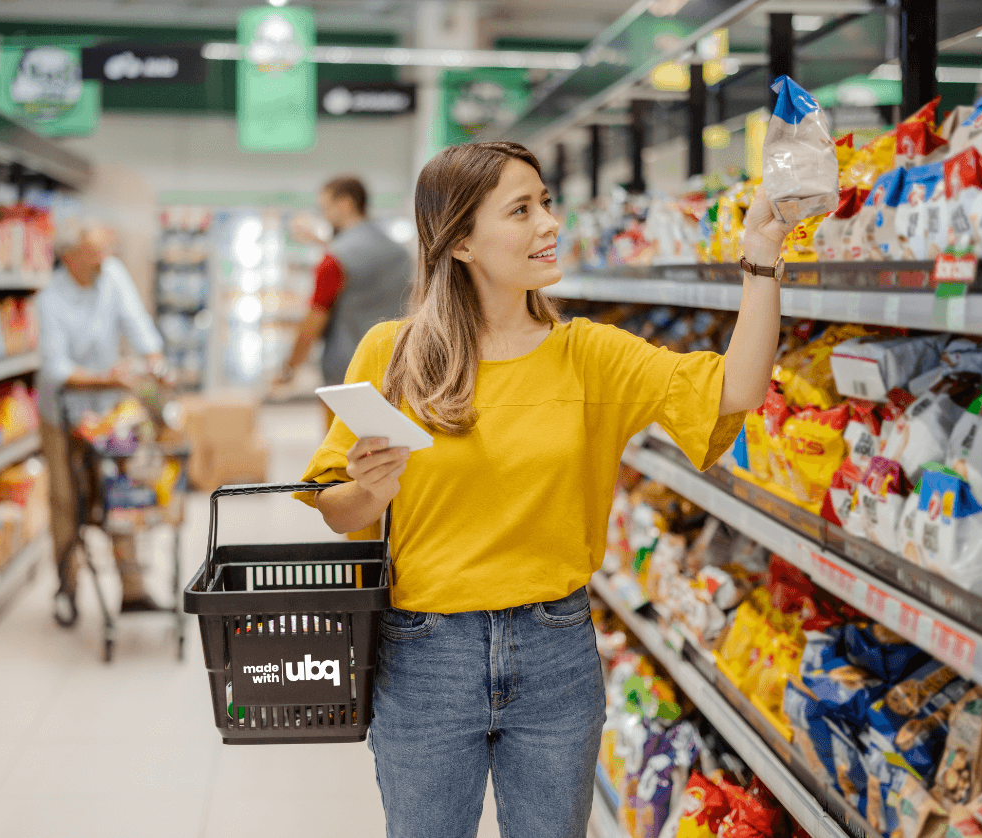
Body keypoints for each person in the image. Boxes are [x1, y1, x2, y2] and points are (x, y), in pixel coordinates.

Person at [295, 141, 790, 837]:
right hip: (425, 654)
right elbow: (335, 508)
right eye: (521, 209)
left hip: (555, 651)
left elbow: (737, 388)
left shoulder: (589, 354)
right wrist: (368, 492)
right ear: (461, 241)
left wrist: (761, 259)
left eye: (547, 204)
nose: (549, 224)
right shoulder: (393, 352)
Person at [36, 222, 168, 627]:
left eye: (104, 252)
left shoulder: (111, 276)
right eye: (94, 254)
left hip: (108, 413)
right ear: (71, 257)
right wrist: (113, 378)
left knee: (120, 492)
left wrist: (155, 361)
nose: (103, 260)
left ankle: (132, 590)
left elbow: (137, 324)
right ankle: (67, 587)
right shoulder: (49, 298)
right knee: (66, 500)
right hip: (62, 414)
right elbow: (58, 369)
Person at [274, 176, 412, 396]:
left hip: (347, 375)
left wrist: (288, 370)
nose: (324, 215)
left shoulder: (334, 260)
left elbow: (314, 321)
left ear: (345, 204)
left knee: (343, 432)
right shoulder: (400, 254)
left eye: (325, 208)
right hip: (396, 368)